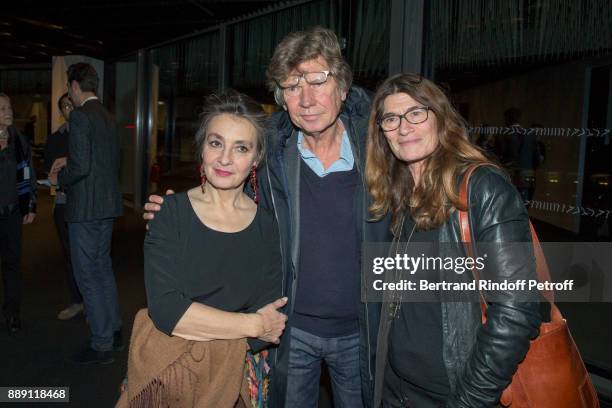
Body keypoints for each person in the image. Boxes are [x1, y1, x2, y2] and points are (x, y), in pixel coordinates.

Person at [144, 27, 389, 408]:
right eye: (292, 86)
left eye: (317, 80)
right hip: (291, 329)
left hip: (363, 328)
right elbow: (232, 164)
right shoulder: (274, 147)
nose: (306, 98)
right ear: (282, 99)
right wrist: (177, 212)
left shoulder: (381, 145)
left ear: (342, 88)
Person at [365, 73, 542, 407]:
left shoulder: (483, 188)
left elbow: (517, 313)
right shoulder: (402, 194)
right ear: (381, 133)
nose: (403, 127)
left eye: (416, 113)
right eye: (390, 119)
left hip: (454, 395)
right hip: (397, 390)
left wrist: (468, 400)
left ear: (440, 118)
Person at [122, 90, 287, 407]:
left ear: (256, 159)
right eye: (216, 143)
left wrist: (210, 322)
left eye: (241, 148)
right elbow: (167, 310)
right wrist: (251, 323)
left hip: (233, 378)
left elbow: (269, 312)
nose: (225, 158)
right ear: (202, 149)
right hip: (169, 374)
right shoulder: (169, 212)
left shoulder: (268, 226)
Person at [49, 63, 124, 364]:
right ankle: (114, 329)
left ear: (76, 86)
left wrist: (58, 178)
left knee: (88, 276)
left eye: (70, 88)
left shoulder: (80, 116)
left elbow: (80, 167)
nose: (70, 93)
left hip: (85, 210)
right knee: (102, 269)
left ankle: (102, 342)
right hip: (106, 207)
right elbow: (104, 163)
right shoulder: (108, 117)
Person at [44, 93, 83, 320]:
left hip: (85, 202)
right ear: (61, 111)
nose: (69, 109)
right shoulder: (55, 138)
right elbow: (50, 172)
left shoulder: (86, 134)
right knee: (69, 255)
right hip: (63, 200)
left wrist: (69, 161)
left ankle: (92, 302)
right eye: (64, 106)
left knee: (88, 256)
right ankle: (77, 300)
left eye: (71, 104)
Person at [0, 93, 37, 334]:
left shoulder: (19, 140)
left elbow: (27, 175)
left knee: (12, 265)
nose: (9, 111)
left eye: (9, 107)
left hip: (12, 213)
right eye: (2, 108)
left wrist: (30, 206)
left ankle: (12, 313)